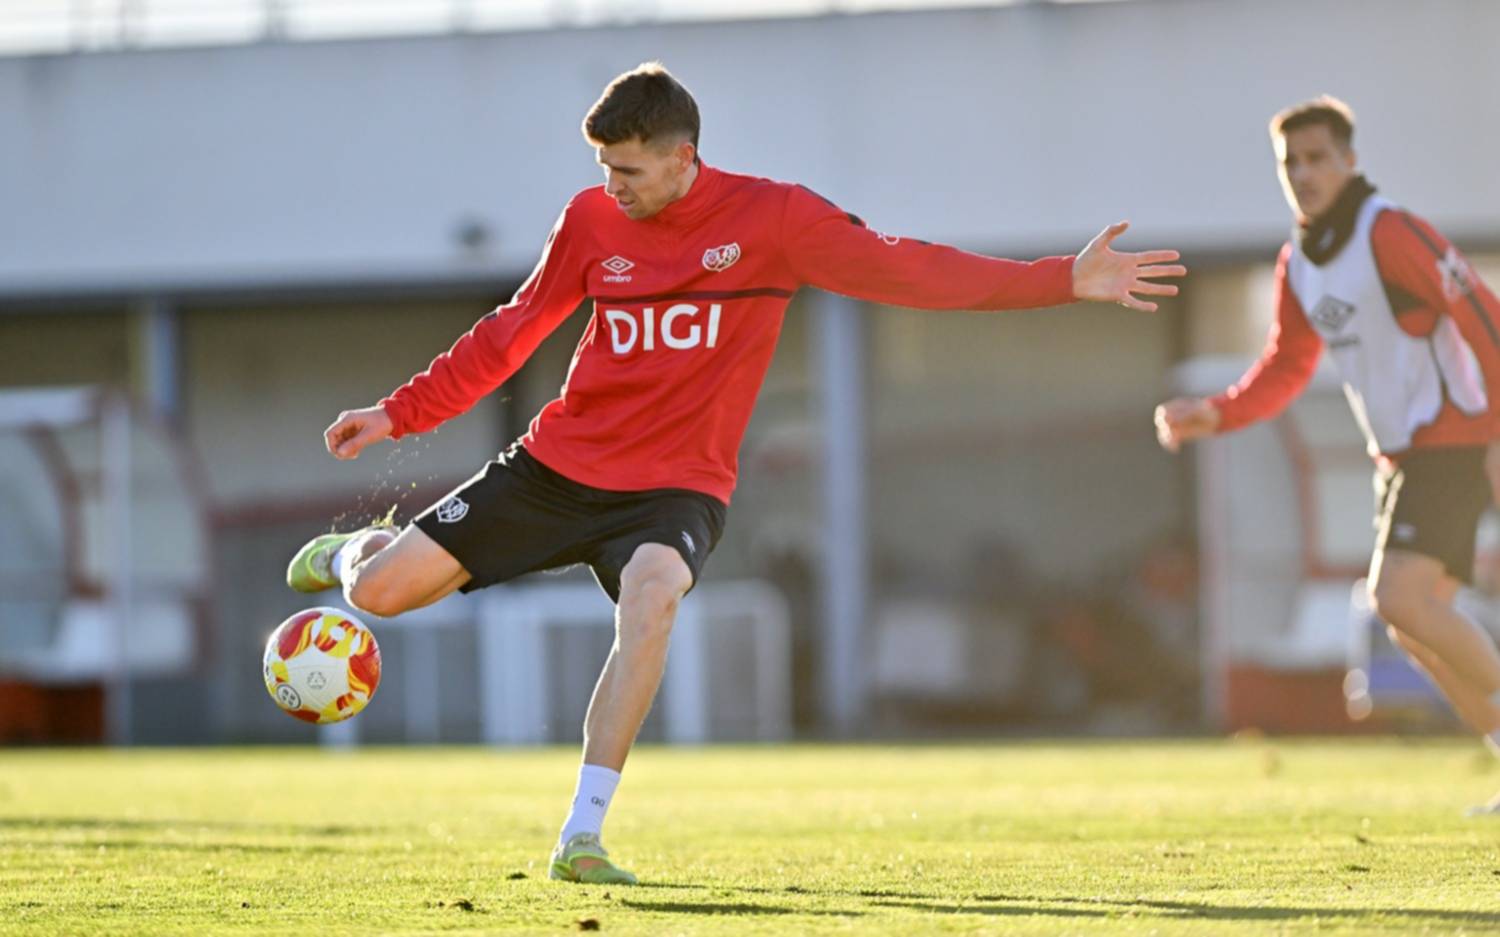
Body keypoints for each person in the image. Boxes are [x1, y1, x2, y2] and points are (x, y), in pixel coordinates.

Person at [286, 62, 1186, 883]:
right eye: (603, 167)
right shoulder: (591, 221)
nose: (612, 186)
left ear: (684, 158)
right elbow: (511, 332)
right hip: (558, 466)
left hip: (676, 487)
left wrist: (1062, 279)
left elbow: (906, 270)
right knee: (380, 594)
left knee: (652, 599)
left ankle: (581, 834)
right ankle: (356, 551)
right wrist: (399, 412)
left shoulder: (774, 219)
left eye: (629, 170)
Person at [1153, 95, 1500, 814]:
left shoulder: (1391, 231)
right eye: (1291, 162)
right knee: (1411, 625)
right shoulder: (1300, 264)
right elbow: (1286, 365)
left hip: (1451, 443)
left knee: (1395, 600)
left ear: (1350, 160)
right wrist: (1216, 412)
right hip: (1398, 458)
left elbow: (1483, 318)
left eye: (1317, 158)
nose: (1304, 174)